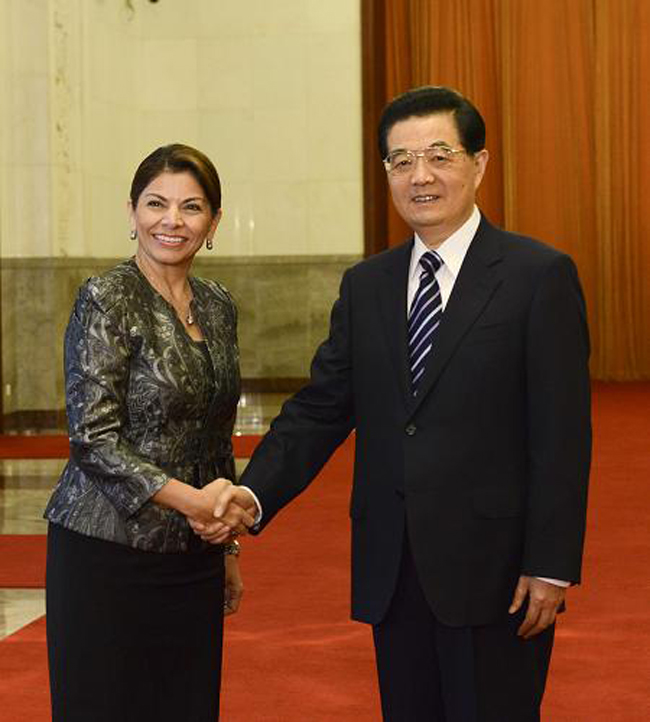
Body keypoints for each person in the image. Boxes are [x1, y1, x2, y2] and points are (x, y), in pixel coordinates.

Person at [199, 86, 592, 721]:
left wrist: (550, 564)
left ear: (479, 164)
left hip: (495, 570)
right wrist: (253, 493)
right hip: (394, 568)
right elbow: (322, 408)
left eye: (439, 155)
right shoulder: (368, 285)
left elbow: (562, 435)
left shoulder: (537, 276)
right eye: (401, 161)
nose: (420, 176)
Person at [44, 143, 252, 722]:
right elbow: (93, 437)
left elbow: (216, 433)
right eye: (156, 203)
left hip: (193, 556)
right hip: (107, 554)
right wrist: (195, 504)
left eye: (192, 207)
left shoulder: (218, 305)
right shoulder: (106, 298)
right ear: (132, 212)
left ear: (214, 222)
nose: (172, 220)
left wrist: (225, 545)